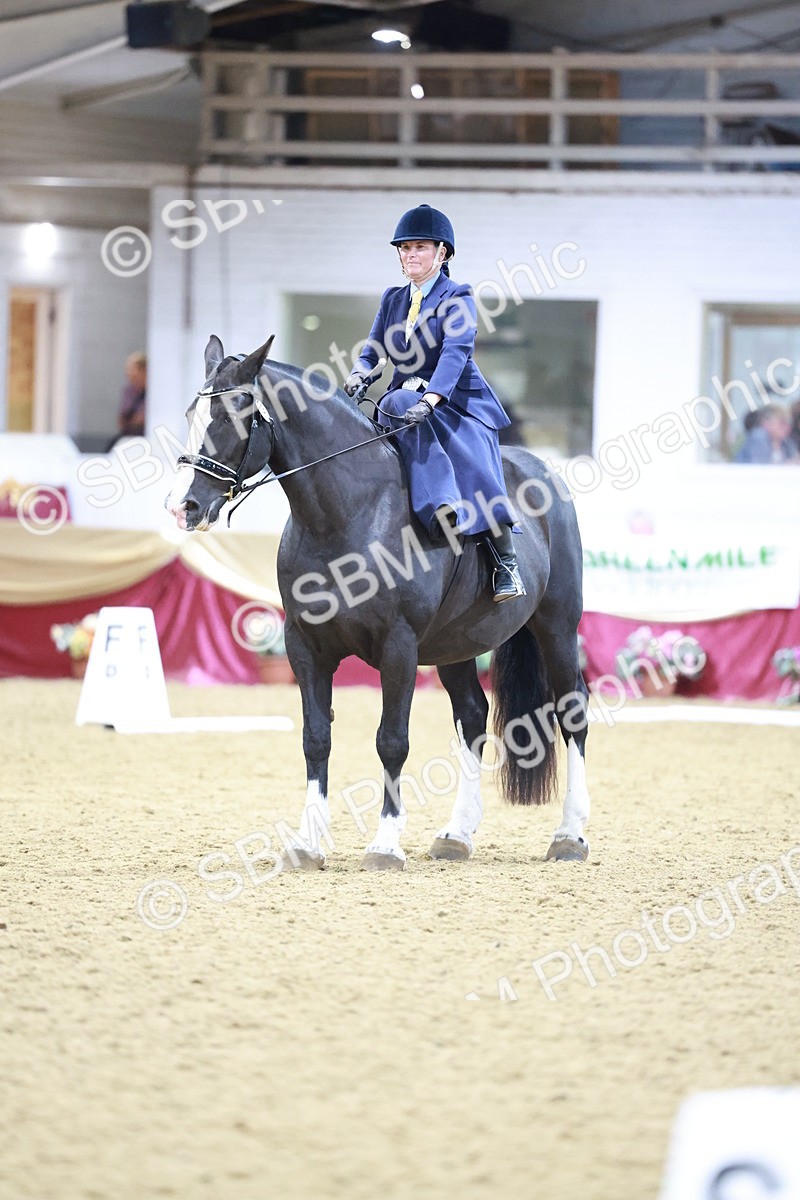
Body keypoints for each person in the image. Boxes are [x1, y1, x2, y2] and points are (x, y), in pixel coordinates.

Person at [343, 204, 525, 603]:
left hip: (455, 402)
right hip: (402, 404)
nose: (410, 255)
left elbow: (455, 353)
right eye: (404, 248)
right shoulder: (393, 299)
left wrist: (430, 399)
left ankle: (504, 561)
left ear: (442, 253)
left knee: (476, 464)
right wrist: (359, 373)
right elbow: (374, 347)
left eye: (420, 247)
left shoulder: (458, 296)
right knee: (386, 410)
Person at [733, 403, 797, 463]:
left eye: (788, 424)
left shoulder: (785, 442)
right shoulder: (758, 437)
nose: (788, 427)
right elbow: (759, 468)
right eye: (782, 423)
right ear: (766, 423)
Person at [113, 352, 147, 444]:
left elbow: (141, 419)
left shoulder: (154, 393)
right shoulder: (129, 392)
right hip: (127, 435)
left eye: (133, 370)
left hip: (145, 436)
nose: (129, 373)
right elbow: (121, 420)